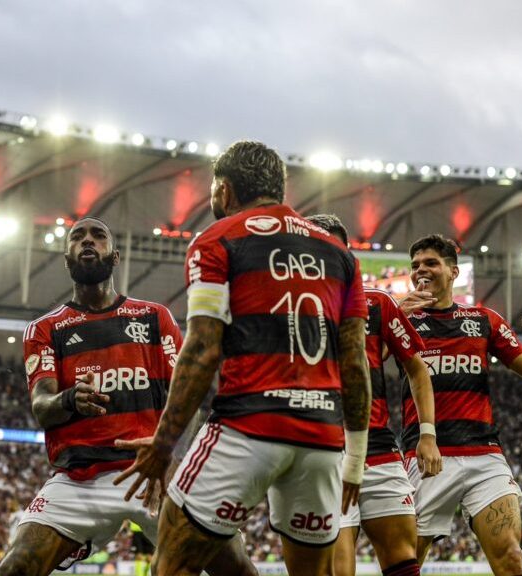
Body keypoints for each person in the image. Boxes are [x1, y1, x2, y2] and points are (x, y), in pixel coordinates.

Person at [114, 141, 373, 576]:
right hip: (323, 441)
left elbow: (202, 348)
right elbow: (355, 363)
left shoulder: (218, 240)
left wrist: (164, 444)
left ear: (224, 190)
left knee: (171, 565)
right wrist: (354, 461)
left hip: (247, 428)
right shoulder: (340, 254)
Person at [0, 217, 255, 576]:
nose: (87, 241)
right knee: (15, 569)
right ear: (67, 258)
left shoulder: (154, 317)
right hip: (80, 480)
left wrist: (170, 453)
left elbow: (188, 397)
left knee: (238, 569)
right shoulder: (45, 329)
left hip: (154, 471)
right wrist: (71, 399)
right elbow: (42, 408)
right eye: (78, 237)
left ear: (115, 256)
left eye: (98, 236)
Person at [398, 234, 522, 576]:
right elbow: (367, 363)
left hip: (484, 455)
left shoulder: (483, 320)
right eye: (416, 265)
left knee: (511, 558)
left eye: (431, 263)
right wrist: (393, 319)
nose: (421, 270)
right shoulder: (399, 319)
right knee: (407, 563)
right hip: (427, 456)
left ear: (453, 272)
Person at [306, 214, 442, 576]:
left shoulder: (377, 303)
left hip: (379, 447)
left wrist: (427, 434)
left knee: (404, 559)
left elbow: (416, 368)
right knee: (339, 565)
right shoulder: (292, 307)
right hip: (324, 450)